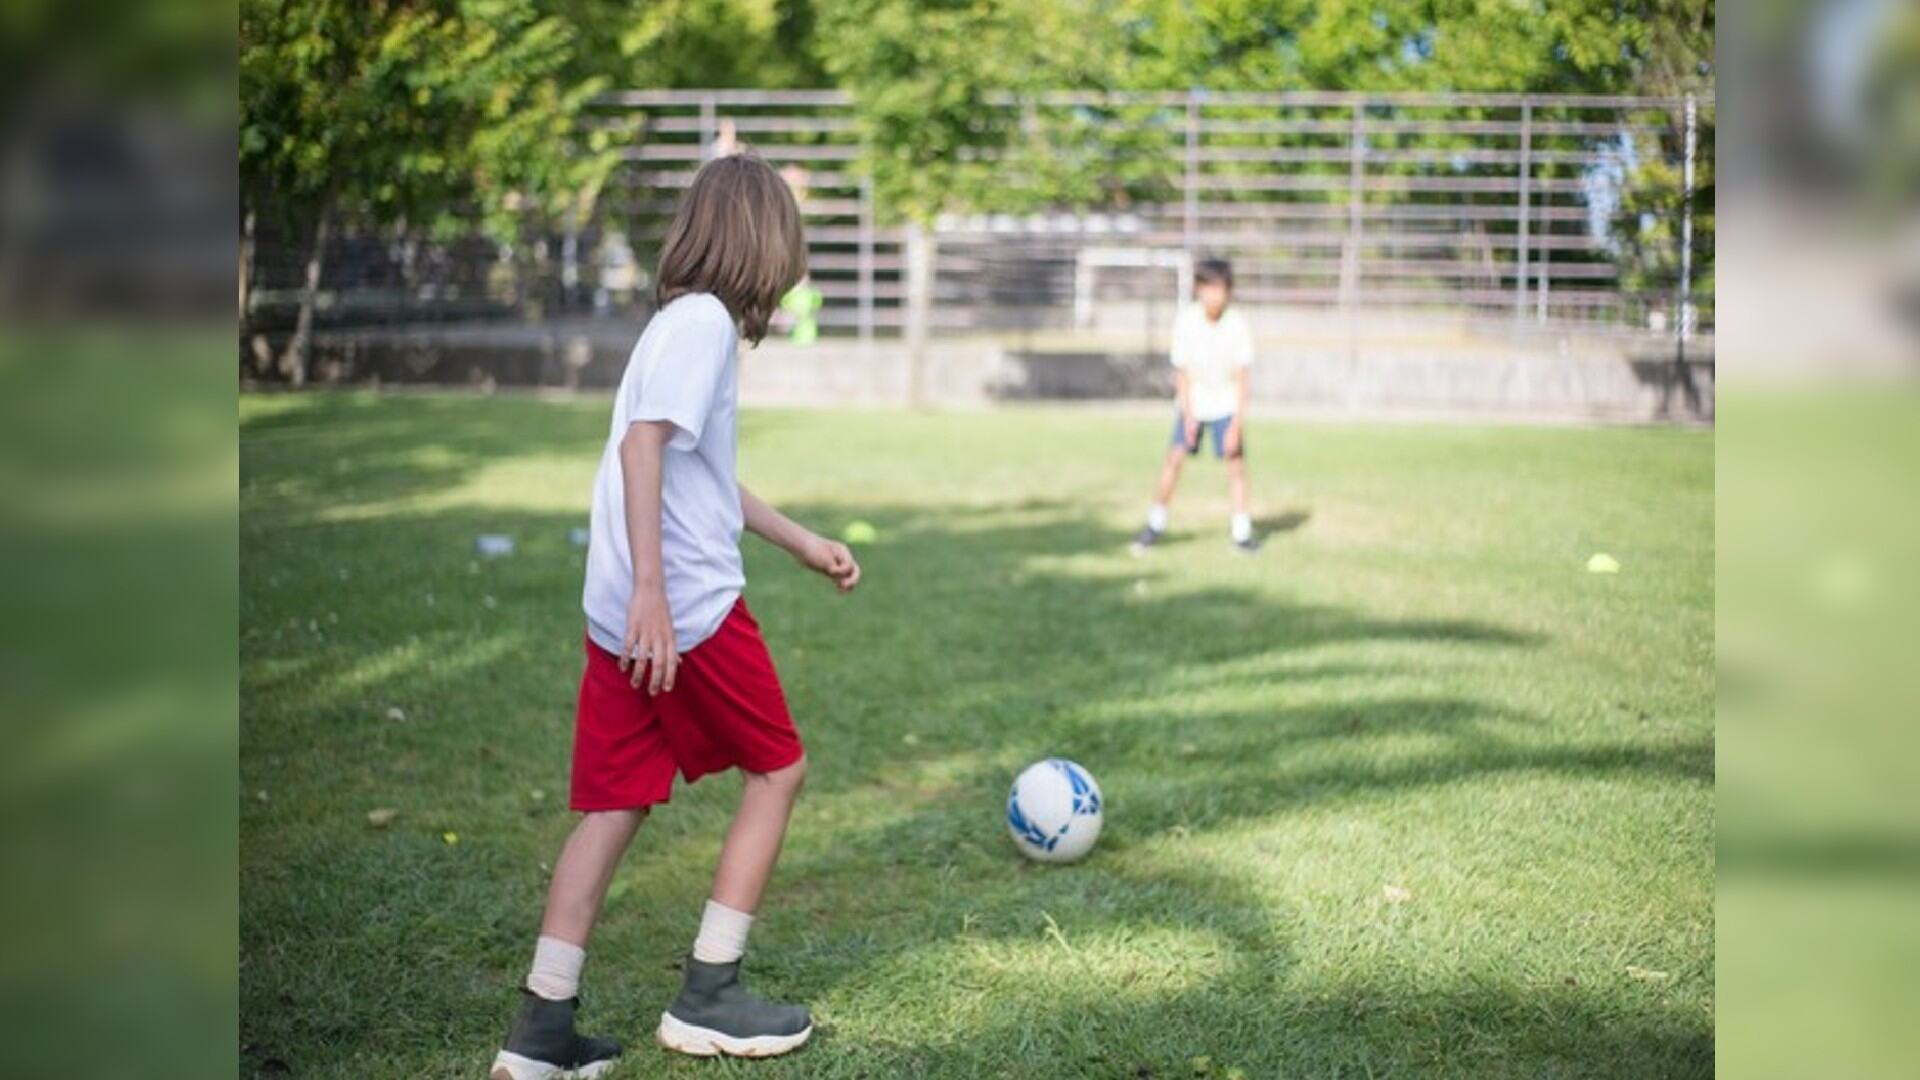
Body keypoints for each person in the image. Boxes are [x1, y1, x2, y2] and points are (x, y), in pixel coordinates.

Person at [490, 154, 860, 1079]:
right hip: (682, 608)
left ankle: (539, 1032)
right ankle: (710, 993)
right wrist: (656, 591)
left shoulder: (678, 324)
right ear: (762, 241)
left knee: (614, 805)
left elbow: (700, 472)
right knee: (779, 772)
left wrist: (801, 541)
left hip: (620, 611)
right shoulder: (700, 327)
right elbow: (642, 448)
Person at [1133, 259, 1259, 553]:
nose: (1214, 295)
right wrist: (1188, 415)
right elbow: (1183, 372)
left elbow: (1242, 379)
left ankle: (1242, 534)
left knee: (1236, 466)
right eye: (1208, 288)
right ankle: (1155, 524)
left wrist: (1236, 425)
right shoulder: (1187, 321)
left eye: (1220, 288)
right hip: (1194, 404)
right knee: (1174, 461)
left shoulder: (1237, 324)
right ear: (1199, 289)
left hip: (1226, 406)